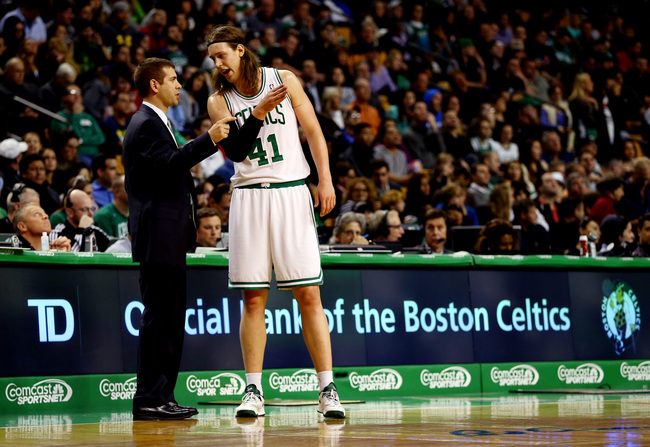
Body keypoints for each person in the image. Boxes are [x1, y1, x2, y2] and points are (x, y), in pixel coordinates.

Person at [205, 25, 344, 419]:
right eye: (213, 59)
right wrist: (260, 111)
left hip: (291, 190)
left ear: (240, 50)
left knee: (309, 295)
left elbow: (314, 132)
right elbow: (235, 151)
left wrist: (326, 179)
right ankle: (253, 390)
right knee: (253, 299)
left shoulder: (283, 78)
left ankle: (327, 388)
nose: (218, 64)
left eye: (222, 56)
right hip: (249, 195)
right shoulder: (219, 101)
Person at [122, 57, 233, 421]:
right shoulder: (145, 124)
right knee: (160, 320)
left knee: (169, 320)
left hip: (168, 237)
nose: (179, 85)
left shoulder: (157, 122)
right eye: (173, 79)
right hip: (159, 236)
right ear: (155, 85)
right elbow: (169, 164)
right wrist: (209, 139)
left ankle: (161, 396)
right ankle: (150, 397)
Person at [93, 175, 129, 239]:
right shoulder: (103, 216)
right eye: (128, 187)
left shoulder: (136, 213)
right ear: (116, 192)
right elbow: (107, 246)